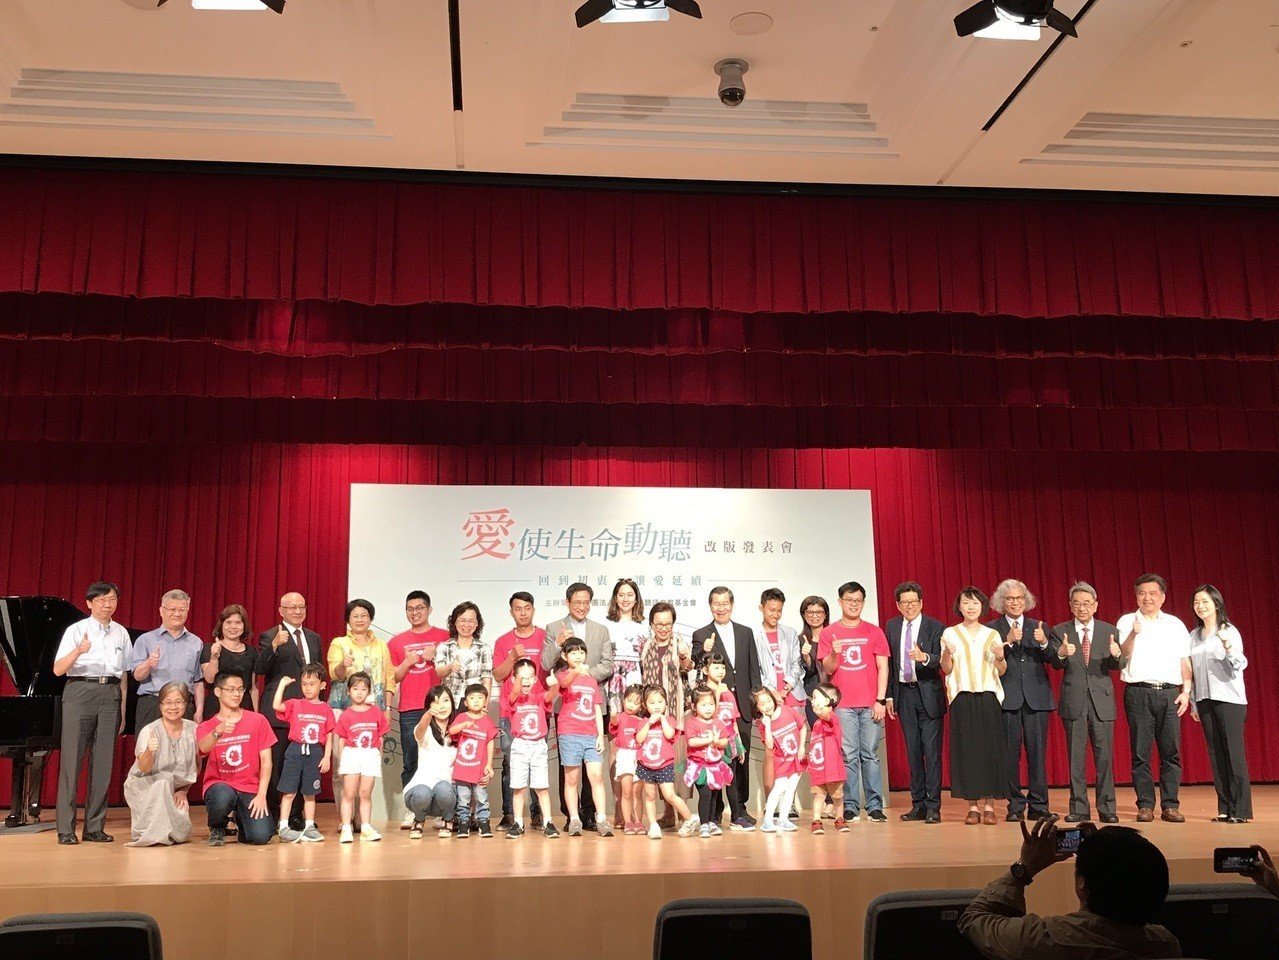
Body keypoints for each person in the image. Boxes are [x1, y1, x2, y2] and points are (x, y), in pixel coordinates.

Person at [958, 817, 1180, 960]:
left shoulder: (1044, 941)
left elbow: (974, 919)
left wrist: (1025, 868)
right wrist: (1101, 851)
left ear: (1081, 884)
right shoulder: (1165, 945)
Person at [53, 580, 128, 845]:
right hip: (80, 692)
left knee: (103, 764)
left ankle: (94, 827)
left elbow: (123, 675)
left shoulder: (121, 633)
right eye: (102, 600)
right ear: (89, 603)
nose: (108, 605)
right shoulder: (77, 630)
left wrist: (122, 708)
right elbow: (58, 670)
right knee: (72, 762)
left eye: (112, 600)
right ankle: (65, 828)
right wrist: (78, 651)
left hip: (110, 695)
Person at [1117, 574, 1192, 823]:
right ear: (1136, 595)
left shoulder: (1175, 624)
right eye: (1142, 593)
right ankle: (1145, 805)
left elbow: (1184, 660)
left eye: (1152, 593)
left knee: (1171, 752)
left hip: (1170, 693)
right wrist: (1133, 634)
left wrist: (1186, 691)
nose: (1147, 598)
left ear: (1162, 597)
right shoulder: (1127, 621)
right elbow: (1122, 656)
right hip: (1138, 692)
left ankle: (1170, 805)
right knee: (1141, 752)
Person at [543, 582, 614, 832]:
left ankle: (593, 814)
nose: (582, 606)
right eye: (577, 602)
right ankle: (571, 816)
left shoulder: (601, 630)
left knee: (593, 770)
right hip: (567, 706)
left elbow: (607, 665)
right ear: (567, 603)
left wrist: (585, 674)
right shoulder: (554, 628)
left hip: (593, 702)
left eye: (586, 602)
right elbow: (545, 664)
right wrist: (557, 645)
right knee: (569, 767)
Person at [1051, 582, 1124, 824]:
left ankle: (1107, 807)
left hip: (1101, 702)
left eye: (1087, 603)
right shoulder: (1060, 630)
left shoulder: (1109, 631)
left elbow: (1118, 666)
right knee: (1076, 758)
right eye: (1077, 603)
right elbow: (1056, 664)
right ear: (1070, 606)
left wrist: (1116, 654)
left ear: (1095, 606)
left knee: (1104, 757)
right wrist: (1061, 652)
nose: (1082, 608)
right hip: (1074, 701)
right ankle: (1079, 807)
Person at [817, 581, 890, 824]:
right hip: (843, 705)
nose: (854, 604)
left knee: (870, 755)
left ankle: (874, 805)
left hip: (870, 704)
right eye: (849, 600)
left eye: (858, 600)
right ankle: (849, 806)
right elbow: (828, 669)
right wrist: (835, 652)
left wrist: (880, 700)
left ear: (863, 602)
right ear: (840, 602)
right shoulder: (829, 633)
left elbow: (883, 667)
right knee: (849, 755)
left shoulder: (874, 631)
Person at [692, 586, 761, 832]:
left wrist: (755, 703)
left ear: (732, 604)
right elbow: (696, 665)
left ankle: (739, 808)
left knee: (738, 760)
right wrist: (706, 652)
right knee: (714, 760)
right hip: (713, 709)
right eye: (716, 603)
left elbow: (753, 669)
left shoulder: (745, 632)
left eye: (725, 603)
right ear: (710, 606)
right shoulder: (702, 634)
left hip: (741, 707)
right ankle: (715, 812)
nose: (721, 607)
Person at [988, 579, 1056, 822]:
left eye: (1019, 598)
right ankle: (1015, 805)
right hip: (1008, 700)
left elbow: (1054, 660)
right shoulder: (992, 629)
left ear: (1025, 600)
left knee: (1038, 754)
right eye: (1010, 599)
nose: (1015, 603)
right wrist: (1006, 641)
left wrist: (1044, 642)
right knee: (1010, 755)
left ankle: (1039, 805)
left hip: (1037, 699)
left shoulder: (1039, 626)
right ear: (1001, 602)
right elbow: (989, 663)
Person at [256, 591, 323, 830]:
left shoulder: (314, 637)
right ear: (281, 611)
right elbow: (261, 668)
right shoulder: (269, 635)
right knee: (278, 765)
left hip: (308, 715)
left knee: (302, 765)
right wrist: (274, 646)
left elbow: (319, 673)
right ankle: (274, 816)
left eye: (301, 607)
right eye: (292, 607)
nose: (297, 611)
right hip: (280, 711)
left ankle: (295, 816)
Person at [942, 586, 1008, 825]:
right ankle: (972, 807)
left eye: (975, 603)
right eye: (966, 603)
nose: (971, 607)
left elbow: (1001, 670)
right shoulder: (950, 633)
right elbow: (947, 669)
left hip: (988, 696)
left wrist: (1000, 656)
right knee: (967, 751)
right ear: (959, 607)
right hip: (962, 697)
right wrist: (946, 656)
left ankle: (990, 806)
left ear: (982, 606)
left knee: (990, 750)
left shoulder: (992, 634)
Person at [1188, 584, 1251, 823]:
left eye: (1205, 601)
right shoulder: (1194, 636)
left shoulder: (1229, 630)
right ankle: (1225, 807)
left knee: (1233, 753)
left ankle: (1241, 810)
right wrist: (1194, 702)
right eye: (1196, 602)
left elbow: (1239, 663)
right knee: (1216, 754)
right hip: (1205, 699)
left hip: (1229, 699)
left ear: (1216, 603)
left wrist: (1226, 645)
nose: (1200, 606)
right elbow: (1192, 671)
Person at [885, 581, 946, 824]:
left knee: (931, 753)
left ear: (921, 603)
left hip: (928, 693)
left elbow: (944, 659)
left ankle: (934, 807)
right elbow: (889, 664)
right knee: (913, 752)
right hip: (904, 694)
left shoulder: (936, 627)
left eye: (914, 602)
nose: (909, 606)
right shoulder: (891, 626)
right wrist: (889, 695)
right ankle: (918, 804)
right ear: (898, 605)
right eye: (905, 602)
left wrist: (925, 657)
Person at [197, 671, 276, 846]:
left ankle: (243, 824)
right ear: (218, 692)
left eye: (240, 689)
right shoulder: (208, 726)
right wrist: (218, 731)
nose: (236, 694)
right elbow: (203, 747)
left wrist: (262, 794)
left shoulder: (258, 720)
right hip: (220, 786)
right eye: (231, 689)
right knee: (223, 795)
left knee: (261, 836)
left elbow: (267, 761)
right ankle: (217, 826)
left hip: (249, 788)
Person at [388, 590, 446, 825]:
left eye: (420, 608)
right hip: (410, 708)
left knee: (439, 760)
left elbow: (449, 669)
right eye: (410, 609)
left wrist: (434, 659)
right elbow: (395, 677)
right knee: (412, 761)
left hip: (439, 708)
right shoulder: (396, 641)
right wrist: (407, 662)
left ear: (429, 610)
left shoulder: (444, 636)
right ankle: (413, 809)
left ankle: (442, 810)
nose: (415, 612)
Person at [492, 591, 548, 830]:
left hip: (538, 712)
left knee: (538, 764)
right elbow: (497, 674)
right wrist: (513, 657)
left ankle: (537, 814)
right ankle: (510, 815)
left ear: (533, 610)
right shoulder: (503, 641)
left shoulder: (546, 637)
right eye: (518, 608)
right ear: (511, 611)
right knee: (509, 763)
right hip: (510, 714)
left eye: (527, 608)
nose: (523, 612)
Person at [638, 602, 694, 830]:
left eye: (667, 624)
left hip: (676, 715)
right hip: (653, 719)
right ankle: (669, 814)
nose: (663, 628)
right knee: (657, 762)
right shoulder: (646, 646)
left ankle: (684, 815)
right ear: (651, 624)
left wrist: (683, 657)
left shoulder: (679, 644)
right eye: (659, 624)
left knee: (678, 765)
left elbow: (688, 667)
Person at [124, 681, 197, 847]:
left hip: (172, 789)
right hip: (144, 785)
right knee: (163, 781)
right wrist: (150, 751)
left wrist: (183, 790)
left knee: (181, 834)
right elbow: (143, 768)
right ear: (160, 705)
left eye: (178, 702)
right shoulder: (150, 730)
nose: (173, 707)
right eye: (168, 702)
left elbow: (196, 765)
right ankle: (152, 832)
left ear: (185, 704)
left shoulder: (193, 729)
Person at [554, 638, 612, 837]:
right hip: (569, 732)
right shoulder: (562, 674)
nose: (578, 656)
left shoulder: (591, 680)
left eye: (581, 652)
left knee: (596, 777)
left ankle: (602, 818)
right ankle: (574, 819)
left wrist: (599, 735)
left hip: (590, 734)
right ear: (564, 656)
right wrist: (575, 672)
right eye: (573, 653)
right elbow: (563, 683)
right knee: (572, 778)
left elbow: (597, 709)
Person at [754, 588, 805, 808]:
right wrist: (771, 691)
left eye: (779, 610)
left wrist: (786, 687)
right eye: (771, 610)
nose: (775, 614)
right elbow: (755, 668)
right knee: (771, 752)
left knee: (790, 752)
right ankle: (771, 803)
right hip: (767, 700)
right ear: (762, 608)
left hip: (791, 697)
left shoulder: (790, 633)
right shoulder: (753, 634)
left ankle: (788, 803)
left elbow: (796, 664)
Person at [272, 665, 335, 843]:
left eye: (312, 684)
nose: (308, 688)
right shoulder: (295, 704)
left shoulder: (326, 709)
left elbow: (329, 733)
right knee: (288, 791)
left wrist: (326, 757)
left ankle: (309, 826)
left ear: (322, 685)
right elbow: (276, 705)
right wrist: (282, 685)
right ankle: (283, 826)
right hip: (294, 751)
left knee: (310, 793)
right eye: (304, 684)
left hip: (314, 752)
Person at [605, 578, 648, 830]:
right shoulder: (606, 628)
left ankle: (635, 813)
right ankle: (619, 809)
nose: (625, 598)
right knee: (616, 750)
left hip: (636, 687)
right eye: (620, 594)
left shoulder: (644, 628)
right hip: (613, 686)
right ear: (615, 598)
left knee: (637, 749)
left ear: (636, 598)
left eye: (630, 594)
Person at [129, 589, 204, 730]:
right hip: (153, 704)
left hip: (184, 706)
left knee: (183, 751)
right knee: (148, 750)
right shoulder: (145, 640)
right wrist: (148, 664)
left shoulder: (196, 642)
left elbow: (198, 682)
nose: (177, 613)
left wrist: (199, 711)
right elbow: (138, 676)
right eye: (172, 609)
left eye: (182, 609)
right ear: (161, 610)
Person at [334, 671, 390, 843]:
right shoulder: (346, 715)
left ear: (369, 691)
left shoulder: (375, 712)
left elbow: (380, 737)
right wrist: (342, 760)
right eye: (355, 688)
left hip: (370, 754)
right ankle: (346, 827)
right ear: (348, 691)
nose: (359, 692)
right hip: (352, 754)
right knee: (349, 793)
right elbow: (342, 740)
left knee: (365, 793)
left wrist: (378, 756)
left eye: (364, 689)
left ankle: (365, 827)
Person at [504, 659, 557, 840]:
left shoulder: (540, 697)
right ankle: (518, 823)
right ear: (514, 679)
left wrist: (554, 685)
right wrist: (519, 679)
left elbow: (551, 695)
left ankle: (548, 821)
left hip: (538, 745)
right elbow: (514, 694)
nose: (526, 680)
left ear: (535, 679)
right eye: (521, 677)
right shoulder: (512, 699)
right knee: (519, 788)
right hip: (520, 745)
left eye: (531, 676)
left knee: (541, 787)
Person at [636, 685, 697, 840]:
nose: (656, 706)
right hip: (646, 765)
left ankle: (689, 819)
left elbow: (670, 734)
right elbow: (639, 739)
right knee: (649, 795)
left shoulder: (669, 720)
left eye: (660, 702)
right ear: (645, 705)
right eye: (652, 702)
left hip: (664, 765)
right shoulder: (643, 721)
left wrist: (663, 719)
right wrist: (648, 723)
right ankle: (653, 826)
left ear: (665, 703)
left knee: (669, 795)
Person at [403, 686, 460, 840]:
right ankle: (419, 820)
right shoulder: (426, 729)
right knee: (422, 792)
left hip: (446, 795)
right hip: (420, 794)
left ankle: (448, 820)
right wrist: (429, 714)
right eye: (436, 703)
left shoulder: (458, 730)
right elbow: (419, 731)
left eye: (446, 700)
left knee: (444, 789)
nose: (442, 706)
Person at [327, 598, 396, 715]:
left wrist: (388, 708)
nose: (359, 620)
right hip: (343, 707)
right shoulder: (339, 643)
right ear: (348, 620)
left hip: (375, 705)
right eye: (355, 616)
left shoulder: (381, 645)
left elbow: (390, 679)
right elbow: (335, 675)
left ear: (371, 618)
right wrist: (343, 664)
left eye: (364, 616)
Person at [448, 682, 498, 839]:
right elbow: (451, 731)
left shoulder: (487, 720)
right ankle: (464, 823)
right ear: (465, 702)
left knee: (481, 797)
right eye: (472, 697)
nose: (476, 701)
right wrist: (464, 724)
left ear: (485, 701)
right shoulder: (461, 717)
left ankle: (483, 822)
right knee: (463, 798)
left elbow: (490, 741)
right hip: (463, 768)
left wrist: (489, 764)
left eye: (480, 697)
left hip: (479, 768)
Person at [684, 685, 734, 839]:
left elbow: (725, 740)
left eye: (711, 704)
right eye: (703, 705)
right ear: (694, 706)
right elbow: (691, 742)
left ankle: (712, 821)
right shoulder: (691, 722)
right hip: (699, 766)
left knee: (714, 793)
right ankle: (704, 823)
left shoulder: (718, 722)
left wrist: (718, 740)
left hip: (716, 765)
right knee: (705, 793)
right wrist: (709, 739)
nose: (708, 708)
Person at [753, 687, 805, 833]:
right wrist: (768, 725)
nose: (767, 705)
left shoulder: (788, 710)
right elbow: (769, 745)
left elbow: (802, 727)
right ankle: (768, 820)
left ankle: (783, 819)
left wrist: (801, 748)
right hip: (782, 761)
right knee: (779, 788)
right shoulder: (763, 724)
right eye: (762, 704)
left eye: (768, 700)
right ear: (757, 707)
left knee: (791, 789)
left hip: (796, 758)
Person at [199, 605, 258, 720]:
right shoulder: (209, 648)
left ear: (244, 626)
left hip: (244, 706)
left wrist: (256, 715)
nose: (233, 627)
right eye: (228, 622)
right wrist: (214, 657)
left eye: (238, 623)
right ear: (222, 625)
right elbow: (209, 679)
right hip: (217, 706)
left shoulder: (252, 652)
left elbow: (253, 688)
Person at [805, 683, 846, 835]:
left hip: (833, 769)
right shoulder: (816, 723)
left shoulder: (832, 718)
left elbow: (827, 716)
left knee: (837, 796)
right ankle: (816, 820)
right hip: (818, 769)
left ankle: (840, 818)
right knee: (819, 795)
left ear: (831, 700)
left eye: (817, 698)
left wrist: (822, 711)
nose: (813, 701)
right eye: (813, 698)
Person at [436, 601, 493, 703]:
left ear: (477, 624)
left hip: (475, 703)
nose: (466, 624)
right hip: (450, 702)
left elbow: (487, 680)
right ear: (454, 622)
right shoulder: (444, 647)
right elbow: (440, 673)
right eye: (462, 620)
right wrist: (450, 667)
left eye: (471, 621)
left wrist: (485, 704)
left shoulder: (484, 648)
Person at [609, 684, 645, 835]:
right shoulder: (620, 717)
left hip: (638, 757)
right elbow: (614, 724)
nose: (631, 705)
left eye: (636, 703)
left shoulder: (641, 721)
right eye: (629, 701)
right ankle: (627, 822)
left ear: (641, 705)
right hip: (624, 755)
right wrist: (613, 714)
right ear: (624, 700)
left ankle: (638, 822)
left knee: (638, 792)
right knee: (626, 791)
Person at [798, 596, 830, 725]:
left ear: (825, 614)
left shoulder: (834, 636)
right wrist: (806, 657)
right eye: (810, 612)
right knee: (819, 738)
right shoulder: (800, 640)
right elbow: (808, 672)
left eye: (819, 612)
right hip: (813, 697)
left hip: (835, 695)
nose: (815, 616)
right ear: (804, 615)